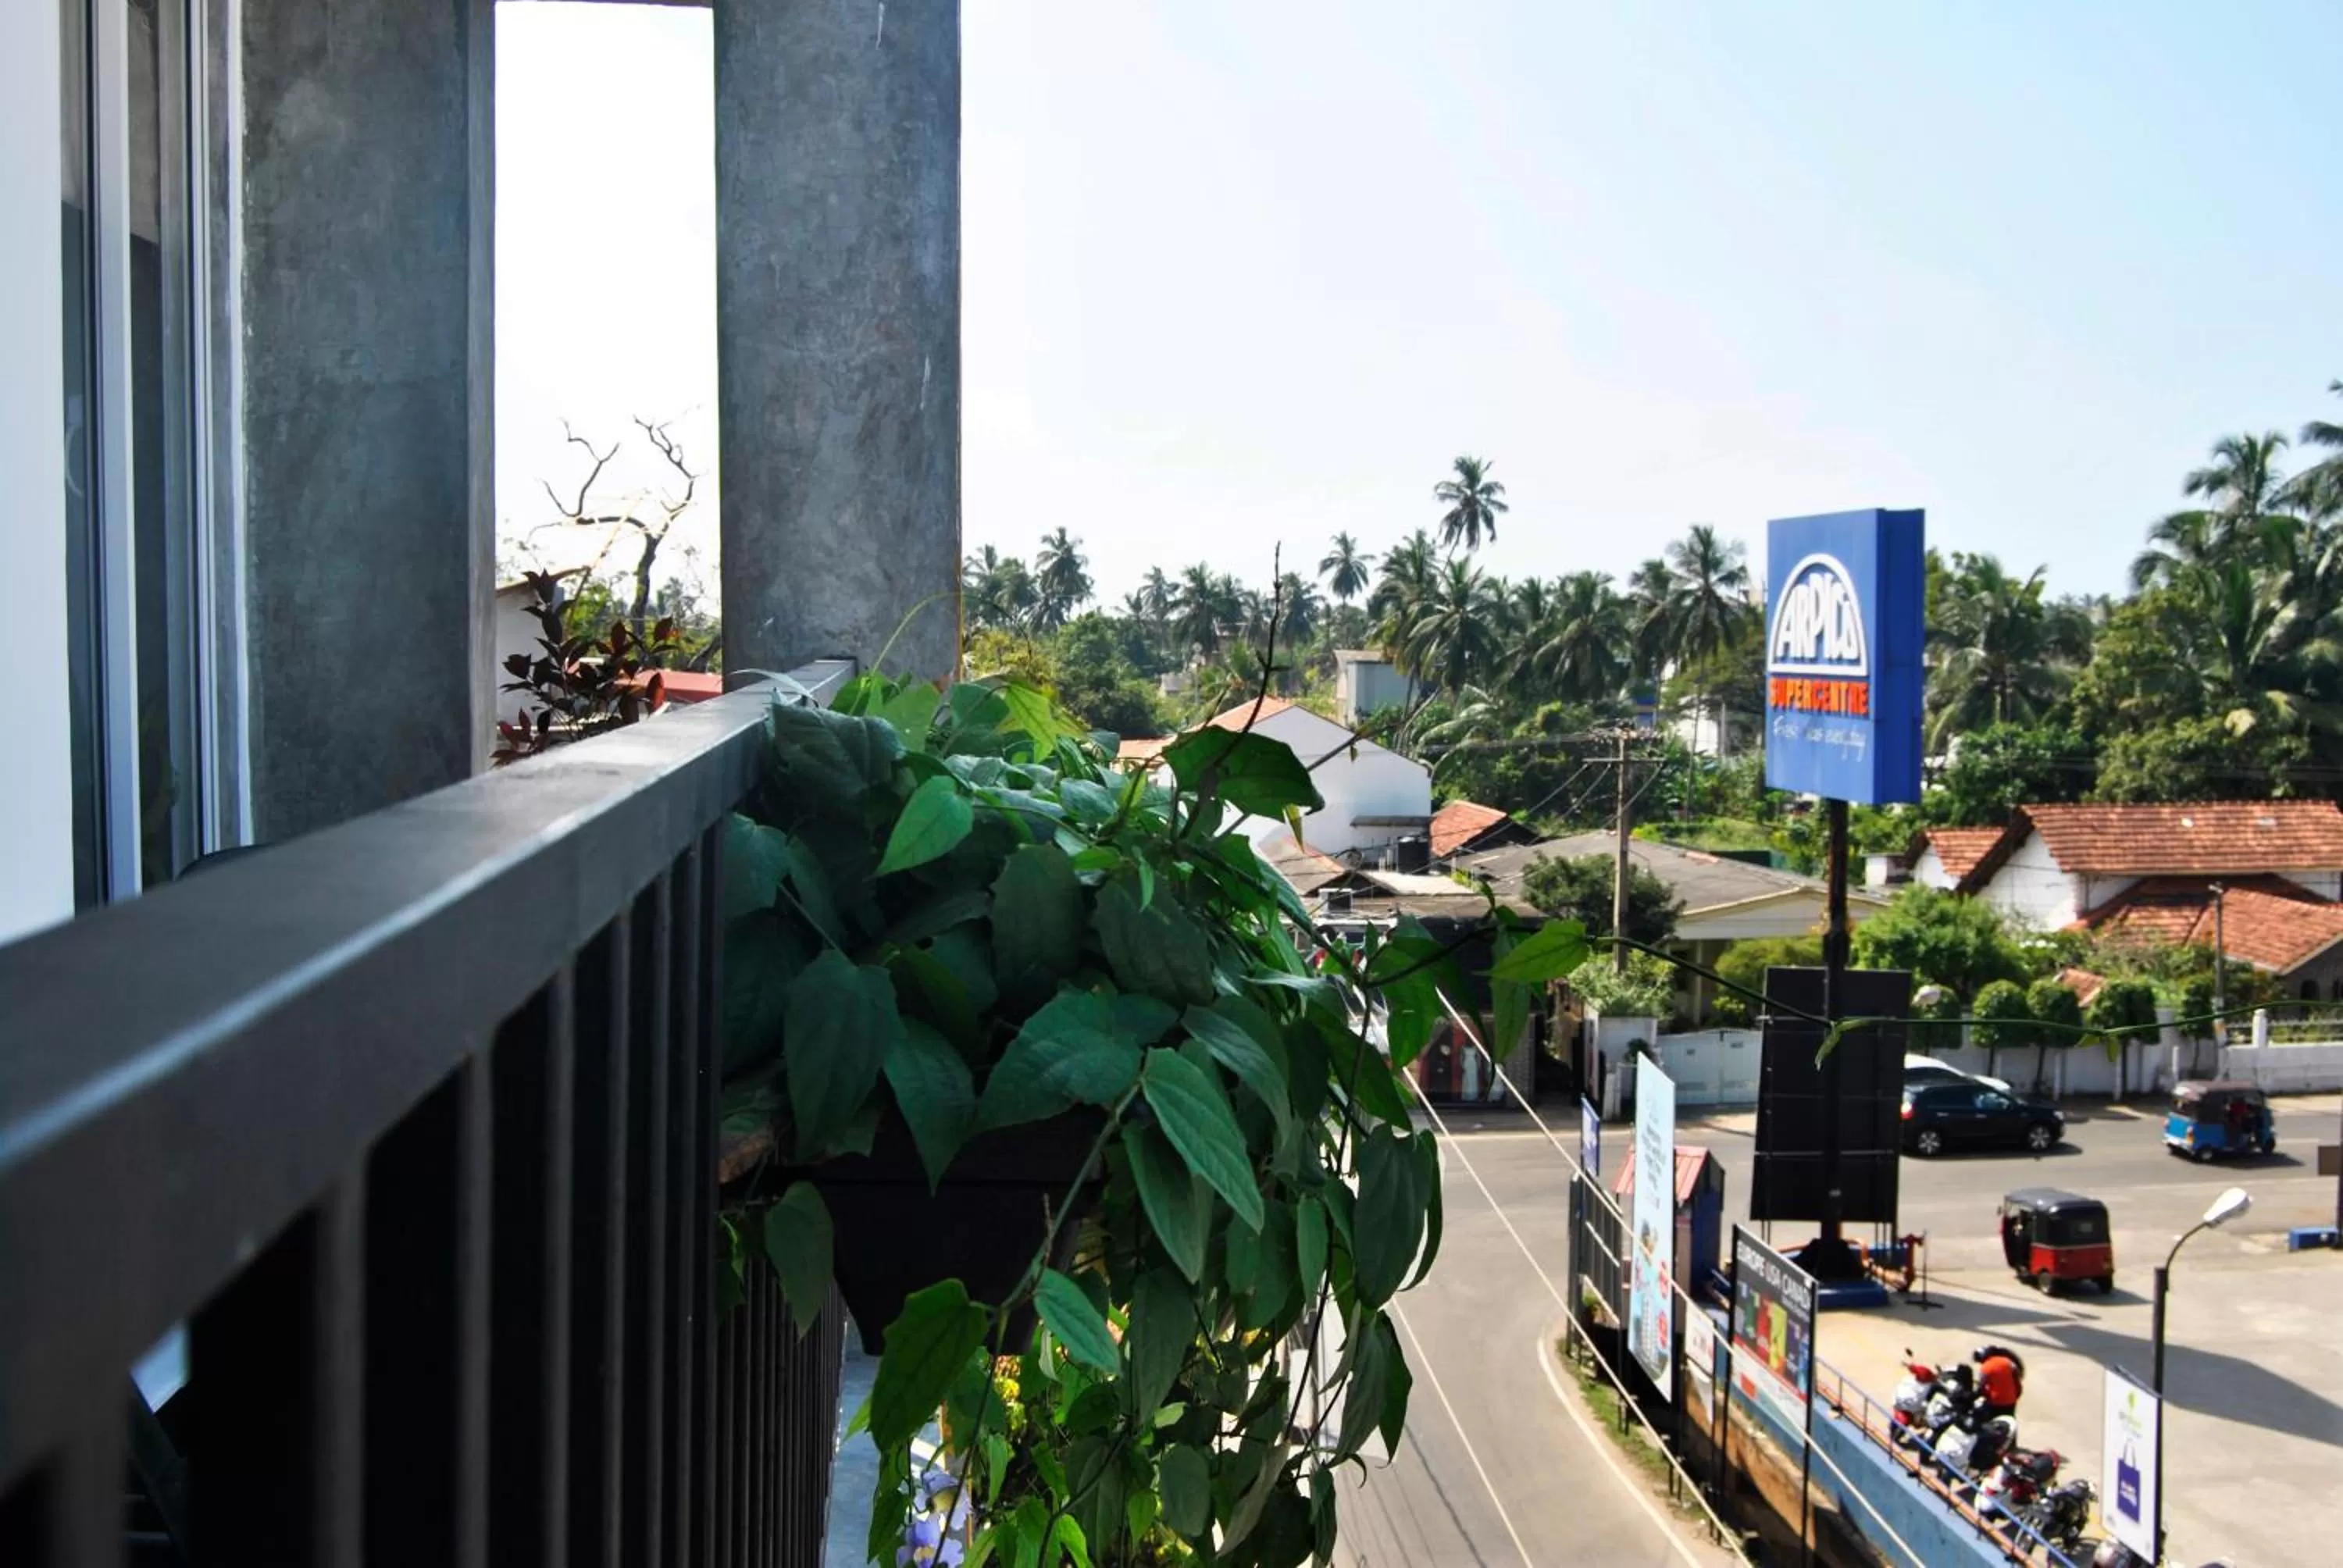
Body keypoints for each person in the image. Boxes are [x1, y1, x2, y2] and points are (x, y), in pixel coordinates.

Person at [1974, 1344, 2024, 1420]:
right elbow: (2017, 1380)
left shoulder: (1985, 1368)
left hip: (1995, 1402)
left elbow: (1982, 1387)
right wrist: (2016, 1395)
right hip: (2011, 1401)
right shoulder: (2008, 1362)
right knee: (2009, 1419)